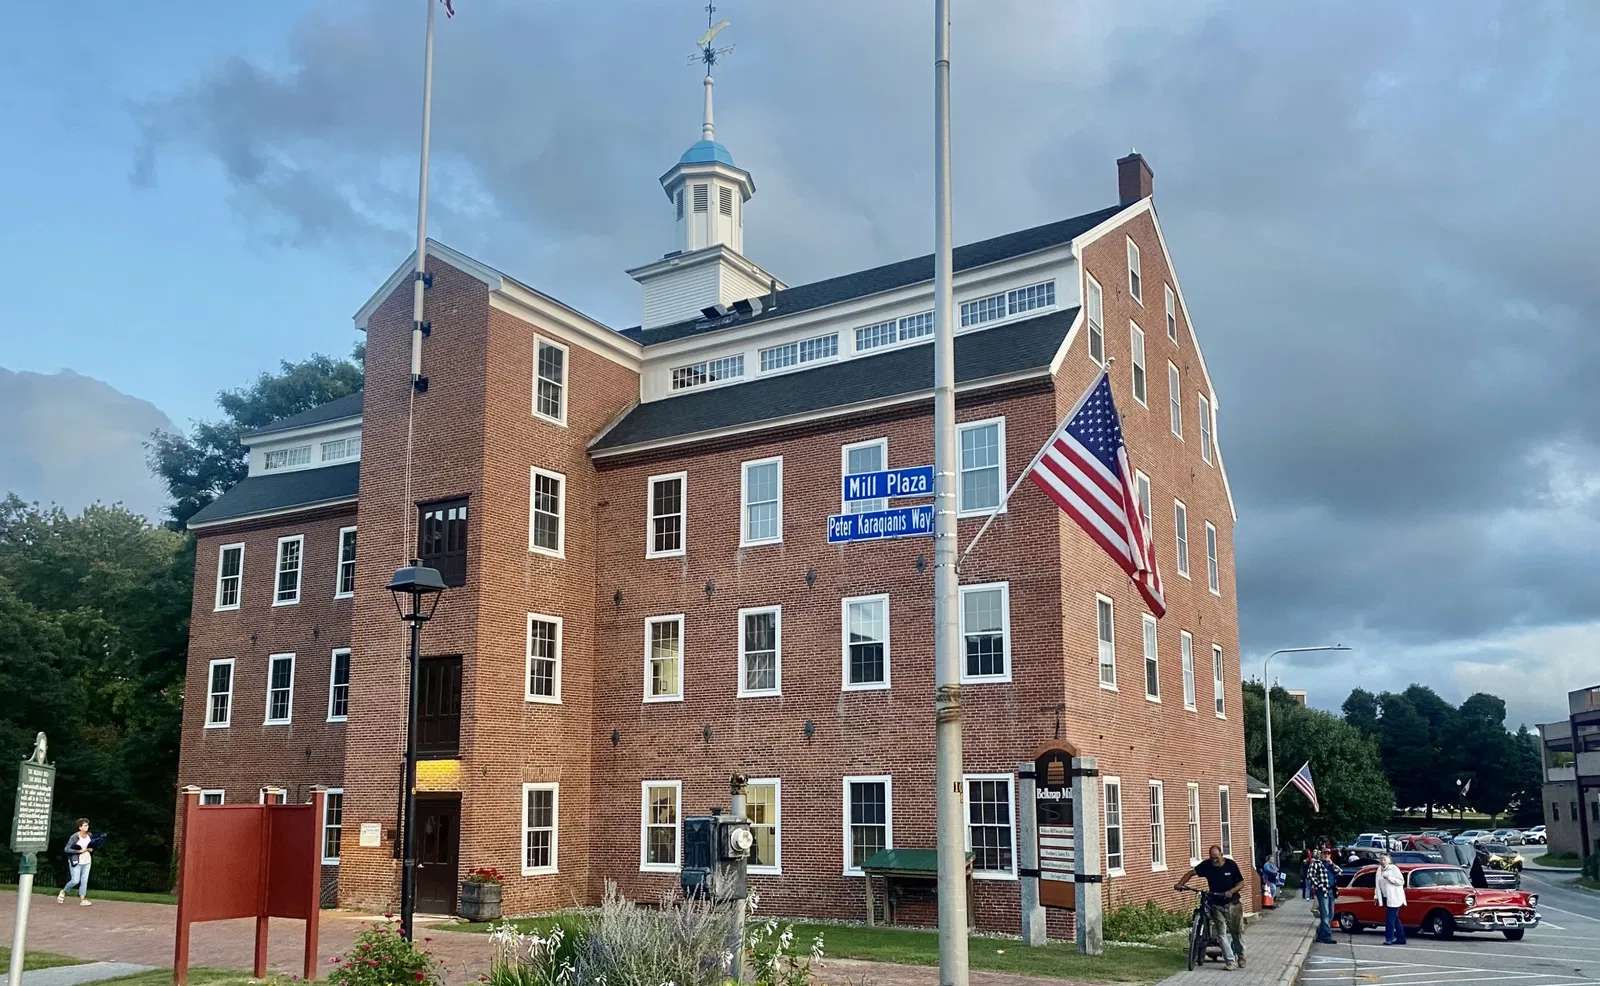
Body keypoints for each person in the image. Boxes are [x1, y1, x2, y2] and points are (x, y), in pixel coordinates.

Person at [1176, 844, 1246, 971]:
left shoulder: (1231, 865)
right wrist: (1180, 884)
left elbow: (1241, 883)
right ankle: (1230, 961)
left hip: (1232, 903)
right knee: (1221, 933)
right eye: (1212, 858)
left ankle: (1240, 955)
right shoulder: (1207, 865)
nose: (1214, 860)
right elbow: (1191, 873)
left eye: (1217, 858)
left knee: (1236, 932)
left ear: (1222, 855)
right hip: (1216, 903)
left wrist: (1231, 891)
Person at [1307, 847, 1341, 944]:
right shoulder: (1316, 863)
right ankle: (1326, 935)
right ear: (1321, 854)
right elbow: (1310, 875)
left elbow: (1339, 872)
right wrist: (1319, 885)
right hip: (1323, 891)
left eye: (1328, 854)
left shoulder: (1330, 865)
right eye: (1324, 853)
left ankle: (1321, 934)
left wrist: (1332, 864)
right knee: (1325, 913)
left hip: (1331, 891)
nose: (1326, 855)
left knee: (1331, 914)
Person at [57, 818, 94, 905]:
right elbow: (67, 849)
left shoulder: (89, 835)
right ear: (80, 827)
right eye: (85, 825)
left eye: (87, 825)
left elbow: (91, 845)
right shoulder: (74, 837)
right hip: (76, 861)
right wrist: (79, 851)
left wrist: (92, 848)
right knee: (75, 880)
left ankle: (82, 900)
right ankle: (63, 891)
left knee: (84, 881)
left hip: (87, 861)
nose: (87, 827)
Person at [1376, 854, 1408, 945]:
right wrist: (1376, 896)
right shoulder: (1379, 869)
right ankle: (1401, 938)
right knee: (1395, 918)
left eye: (1384, 859)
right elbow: (1377, 884)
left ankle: (1389, 938)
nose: (1382, 861)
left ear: (1389, 860)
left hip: (1395, 897)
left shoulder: (1394, 869)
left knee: (1390, 919)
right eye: (1381, 859)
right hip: (1386, 897)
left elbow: (1401, 881)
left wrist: (1389, 878)